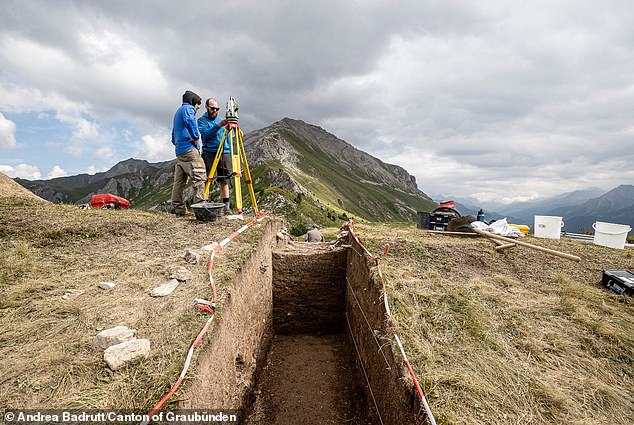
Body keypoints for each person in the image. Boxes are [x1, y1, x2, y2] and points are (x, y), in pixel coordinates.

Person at [170, 90, 206, 217]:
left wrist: (179, 143)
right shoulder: (188, 109)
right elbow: (190, 121)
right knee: (199, 177)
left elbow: (173, 136)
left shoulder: (177, 112)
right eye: (198, 105)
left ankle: (179, 209)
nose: (197, 109)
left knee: (179, 182)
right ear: (193, 102)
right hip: (190, 150)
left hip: (179, 151)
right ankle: (201, 209)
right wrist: (196, 137)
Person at [197, 98, 231, 213]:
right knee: (206, 179)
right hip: (209, 153)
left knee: (224, 180)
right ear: (206, 107)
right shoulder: (201, 121)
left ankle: (226, 207)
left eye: (217, 109)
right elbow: (206, 135)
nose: (215, 111)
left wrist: (228, 148)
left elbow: (227, 136)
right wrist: (218, 126)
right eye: (212, 108)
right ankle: (204, 205)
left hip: (224, 152)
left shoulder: (221, 120)